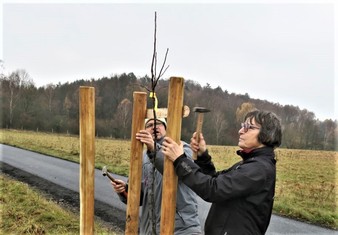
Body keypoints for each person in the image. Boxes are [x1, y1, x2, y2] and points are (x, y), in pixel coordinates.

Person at [162, 110, 282, 235]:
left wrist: (180, 160)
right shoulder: (250, 164)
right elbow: (215, 180)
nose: (240, 131)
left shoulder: (258, 169)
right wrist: (202, 156)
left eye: (248, 127)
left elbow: (212, 189)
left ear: (267, 134)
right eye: (243, 126)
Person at [111, 117, 202, 235]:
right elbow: (138, 198)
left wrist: (153, 150)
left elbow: (181, 173)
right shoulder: (141, 157)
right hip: (151, 230)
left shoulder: (182, 148)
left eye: (159, 124)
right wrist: (124, 190)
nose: (154, 127)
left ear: (166, 128)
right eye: (149, 125)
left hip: (182, 229)